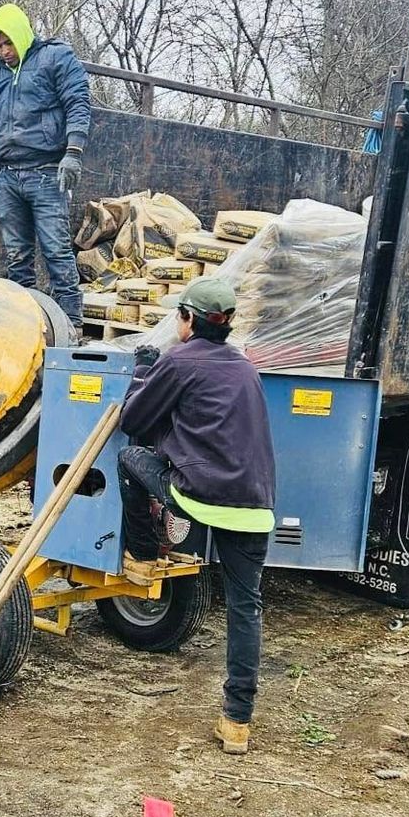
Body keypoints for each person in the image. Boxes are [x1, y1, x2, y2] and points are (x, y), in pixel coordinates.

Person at [117, 277, 275, 754]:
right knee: (246, 607)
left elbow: (134, 420)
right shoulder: (246, 369)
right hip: (255, 506)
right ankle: (237, 723)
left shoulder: (179, 360)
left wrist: (143, 370)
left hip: (201, 496)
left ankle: (143, 554)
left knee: (130, 459)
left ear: (187, 320)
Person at [0, 3, 91, 325]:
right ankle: (23, 324)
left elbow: (78, 102)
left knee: (56, 250)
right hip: (6, 176)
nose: (5, 51)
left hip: (47, 172)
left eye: (9, 43)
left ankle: (71, 324)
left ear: (22, 35)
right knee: (16, 256)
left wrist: (73, 152)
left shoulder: (54, 57)